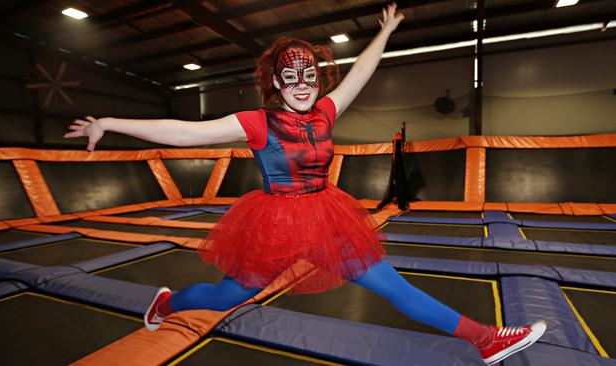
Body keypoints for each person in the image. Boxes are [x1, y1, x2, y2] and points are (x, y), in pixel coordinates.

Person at [64, 4, 545, 365]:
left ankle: (485, 340)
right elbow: (186, 132)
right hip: (274, 220)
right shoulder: (258, 121)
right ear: (276, 80)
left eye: (309, 77)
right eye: (291, 77)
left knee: (391, 284)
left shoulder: (327, 111)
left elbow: (361, 73)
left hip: (327, 215)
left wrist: (384, 32)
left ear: (317, 79)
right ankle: (168, 302)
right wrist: (109, 120)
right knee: (227, 295)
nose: (302, 84)